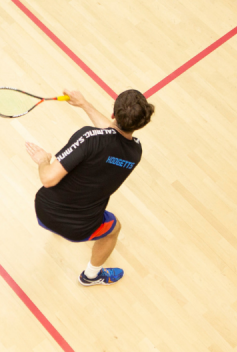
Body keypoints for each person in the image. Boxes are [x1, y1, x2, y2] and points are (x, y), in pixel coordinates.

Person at [26, 89, 154, 286]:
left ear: (113, 114)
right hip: (80, 229)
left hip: (45, 213)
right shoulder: (135, 153)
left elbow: (48, 179)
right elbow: (114, 136)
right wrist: (84, 104)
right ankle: (91, 276)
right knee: (114, 228)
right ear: (142, 124)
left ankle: (58, 233)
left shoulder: (89, 138)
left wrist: (43, 161)